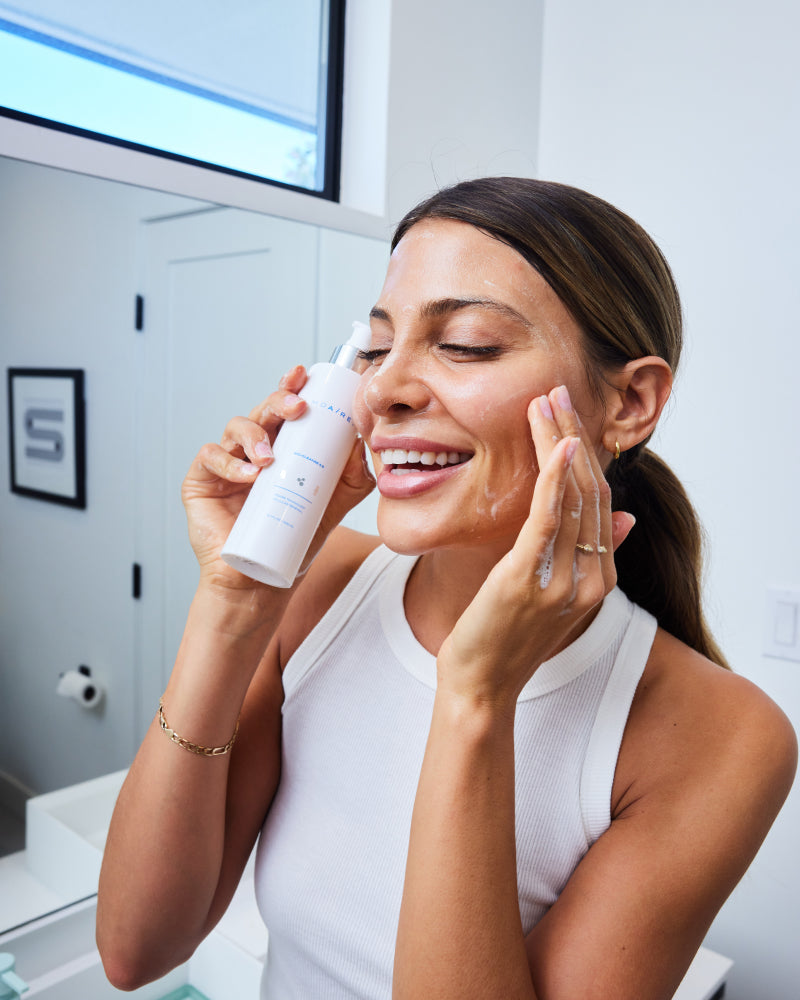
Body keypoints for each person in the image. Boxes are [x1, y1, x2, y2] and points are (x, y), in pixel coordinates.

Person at [97, 177, 797, 999]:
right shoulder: (322, 593)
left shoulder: (722, 737)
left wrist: (475, 698)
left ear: (631, 401)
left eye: (464, 344)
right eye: (375, 348)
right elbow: (136, 950)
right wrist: (236, 605)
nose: (383, 391)